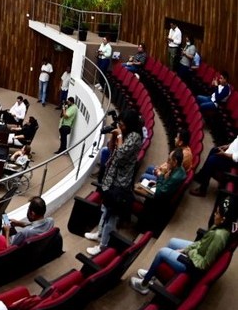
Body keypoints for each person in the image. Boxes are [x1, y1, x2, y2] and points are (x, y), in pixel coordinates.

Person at [130, 200, 235, 295]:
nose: (214, 215)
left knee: (162, 252)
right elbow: (202, 243)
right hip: (198, 251)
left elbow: (204, 265)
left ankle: (143, 285)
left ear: (223, 219)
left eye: (217, 213)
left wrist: (189, 252)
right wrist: (186, 249)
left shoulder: (218, 237)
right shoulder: (220, 225)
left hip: (193, 267)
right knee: (172, 242)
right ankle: (152, 274)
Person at [85, 109, 143, 256]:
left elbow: (121, 154)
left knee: (111, 215)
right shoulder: (125, 133)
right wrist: (114, 135)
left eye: (122, 124)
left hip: (120, 183)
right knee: (105, 208)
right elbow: (112, 150)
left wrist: (120, 135)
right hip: (111, 179)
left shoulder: (135, 137)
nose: (120, 126)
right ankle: (99, 233)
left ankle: (103, 246)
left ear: (130, 124)